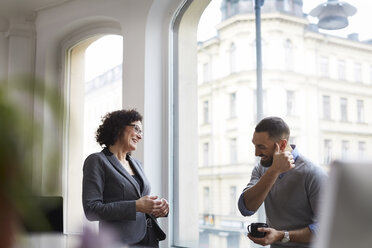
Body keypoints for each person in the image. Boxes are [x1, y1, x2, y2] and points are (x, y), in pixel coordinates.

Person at [82, 109, 169, 247]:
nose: (140, 136)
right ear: (119, 127)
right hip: (120, 242)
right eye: (137, 129)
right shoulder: (97, 161)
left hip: (150, 238)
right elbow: (92, 210)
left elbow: (140, 201)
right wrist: (136, 206)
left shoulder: (137, 164)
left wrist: (157, 208)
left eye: (141, 132)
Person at [238, 116, 327, 248]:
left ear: (283, 145)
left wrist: (282, 235)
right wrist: (274, 171)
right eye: (255, 146)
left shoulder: (313, 173)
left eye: (261, 147)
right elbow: (246, 209)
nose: (256, 153)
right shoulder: (261, 169)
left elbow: (327, 227)